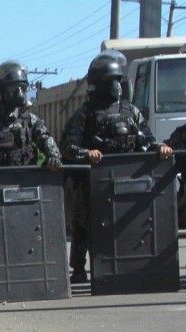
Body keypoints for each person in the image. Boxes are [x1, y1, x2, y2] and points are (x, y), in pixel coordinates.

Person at [61, 54, 173, 283]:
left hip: (126, 177)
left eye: (117, 81)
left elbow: (147, 139)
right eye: (109, 81)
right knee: (84, 222)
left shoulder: (130, 111)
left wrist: (160, 147)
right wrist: (87, 154)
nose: (115, 86)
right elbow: (68, 147)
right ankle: (79, 267)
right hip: (95, 182)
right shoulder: (86, 113)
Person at [0, 61, 62, 298]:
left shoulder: (29, 119)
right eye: (13, 89)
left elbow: (46, 139)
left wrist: (54, 156)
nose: (19, 94)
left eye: (22, 88)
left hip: (24, 182)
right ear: (1, 91)